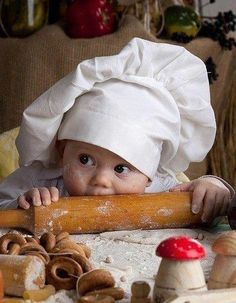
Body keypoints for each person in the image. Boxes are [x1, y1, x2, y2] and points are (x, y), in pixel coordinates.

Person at [0, 38, 234, 224]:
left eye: (121, 168)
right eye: (85, 159)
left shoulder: (160, 191)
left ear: (150, 174)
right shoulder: (39, 180)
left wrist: (213, 188)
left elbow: (208, 202)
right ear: (62, 151)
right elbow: (2, 208)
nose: (101, 180)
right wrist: (21, 206)